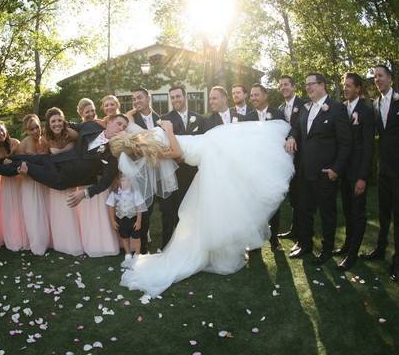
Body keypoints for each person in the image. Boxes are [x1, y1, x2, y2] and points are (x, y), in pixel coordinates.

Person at [114, 117, 294, 297]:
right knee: (218, 205)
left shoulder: (145, 139)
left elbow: (132, 122)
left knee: (240, 161)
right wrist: (168, 128)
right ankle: (218, 253)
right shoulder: (151, 147)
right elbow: (177, 152)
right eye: (120, 131)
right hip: (204, 153)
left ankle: (220, 251)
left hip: (205, 144)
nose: (121, 129)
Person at [0, 114, 129, 208]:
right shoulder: (92, 126)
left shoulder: (114, 153)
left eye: (124, 127)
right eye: (119, 123)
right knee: (21, 158)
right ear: (109, 122)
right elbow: (72, 125)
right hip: (54, 160)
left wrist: (84, 193)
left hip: (60, 178)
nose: (121, 128)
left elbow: (105, 182)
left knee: (24, 166)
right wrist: (58, 124)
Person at [360, 65, 399, 282]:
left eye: (381, 76)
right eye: (375, 76)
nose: (377, 79)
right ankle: (380, 250)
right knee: (384, 213)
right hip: (383, 170)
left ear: (390, 78)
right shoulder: (375, 104)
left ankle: (397, 260)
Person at [285, 73, 351, 264]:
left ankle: (327, 249)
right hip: (304, 171)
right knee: (304, 210)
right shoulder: (305, 108)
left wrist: (336, 170)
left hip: (325, 173)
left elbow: (345, 143)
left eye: (311, 84)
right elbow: (296, 128)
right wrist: (291, 137)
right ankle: (305, 244)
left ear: (322, 85)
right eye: (306, 85)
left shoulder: (337, 109)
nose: (308, 88)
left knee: (327, 213)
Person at [335, 72, 375, 271]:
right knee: (348, 211)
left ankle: (352, 255)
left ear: (358, 89)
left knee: (358, 213)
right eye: (344, 85)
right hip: (343, 171)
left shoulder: (366, 111)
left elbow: (368, 148)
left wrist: (362, 177)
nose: (345, 88)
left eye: (349, 85)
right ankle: (347, 245)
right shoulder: (341, 108)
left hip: (358, 172)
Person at [159, 86, 205, 248]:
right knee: (168, 211)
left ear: (185, 97)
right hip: (172, 171)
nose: (175, 100)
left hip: (193, 173)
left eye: (178, 96)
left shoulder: (200, 119)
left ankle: (187, 245)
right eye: (172, 97)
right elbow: (162, 147)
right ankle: (166, 246)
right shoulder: (164, 119)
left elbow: (203, 145)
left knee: (189, 210)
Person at [248, 83, 286, 250]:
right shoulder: (247, 117)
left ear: (265, 95)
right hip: (254, 168)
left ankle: (274, 240)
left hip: (272, 167)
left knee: (274, 202)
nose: (253, 98)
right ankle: (255, 242)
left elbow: (285, 134)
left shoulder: (278, 114)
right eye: (251, 95)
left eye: (256, 95)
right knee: (254, 205)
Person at [43, 107, 83, 256]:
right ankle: (61, 242)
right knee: (59, 212)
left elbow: (82, 150)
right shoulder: (46, 137)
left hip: (72, 179)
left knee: (72, 210)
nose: (57, 124)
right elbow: (45, 157)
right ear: (48, 123)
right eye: (53, 121)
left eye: (60, 120)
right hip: (57, 179)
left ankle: (77, 241)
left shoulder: (71, 134)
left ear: (64, 121)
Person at [0, 120, 29, 251]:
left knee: (22, 208)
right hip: (6, 182)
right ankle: (14, 239)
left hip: (18, 179)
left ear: (6, 130)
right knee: (10, 210)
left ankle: (26, 237)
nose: (0, 133)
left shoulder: (15, 143)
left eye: (2, 130)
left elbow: (23, 161)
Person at [277, 75, 307, 243]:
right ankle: (294, 229)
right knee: (294, 195)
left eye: (286, 84)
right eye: (281, 85)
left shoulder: (304, 105)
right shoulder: (281, 108)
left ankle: (303, 234)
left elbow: (302, 127)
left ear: (294, 86)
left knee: (302, 195)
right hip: (288, 157)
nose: (283, 88)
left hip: (302, 155)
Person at [130, 87, 160, 254]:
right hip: (140, 170)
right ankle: (142, 248)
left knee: (164, 207)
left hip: (159, 167)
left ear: (149, 98)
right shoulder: (131, 119)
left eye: (139, 97)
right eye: (134, 99)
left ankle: (166, 243)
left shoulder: (160, 118)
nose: (136, 101)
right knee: (144, 209)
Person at [16, 114, 50, 255]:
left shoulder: (43, 140)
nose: (36, 131)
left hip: (41, 180)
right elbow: (34, 160)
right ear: (27, 131)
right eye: (32, 129)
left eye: (37, 127)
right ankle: (38, 244)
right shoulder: (28, 142)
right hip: (30, 182)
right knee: (34, 212)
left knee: (44, 210)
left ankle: (47, 240)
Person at [107, 174, 146, 266]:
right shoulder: (114, 193)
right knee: (124, 237)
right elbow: (111, 207)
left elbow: (139, 207)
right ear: (118, 181)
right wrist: (113, 220)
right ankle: (128, 253)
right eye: (123, 180)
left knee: (136, 237)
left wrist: (138, 221)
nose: (126, 182)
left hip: (133, 219)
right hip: (121, 219)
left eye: (128, 180)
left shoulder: (135, 192)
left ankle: (137, 255)